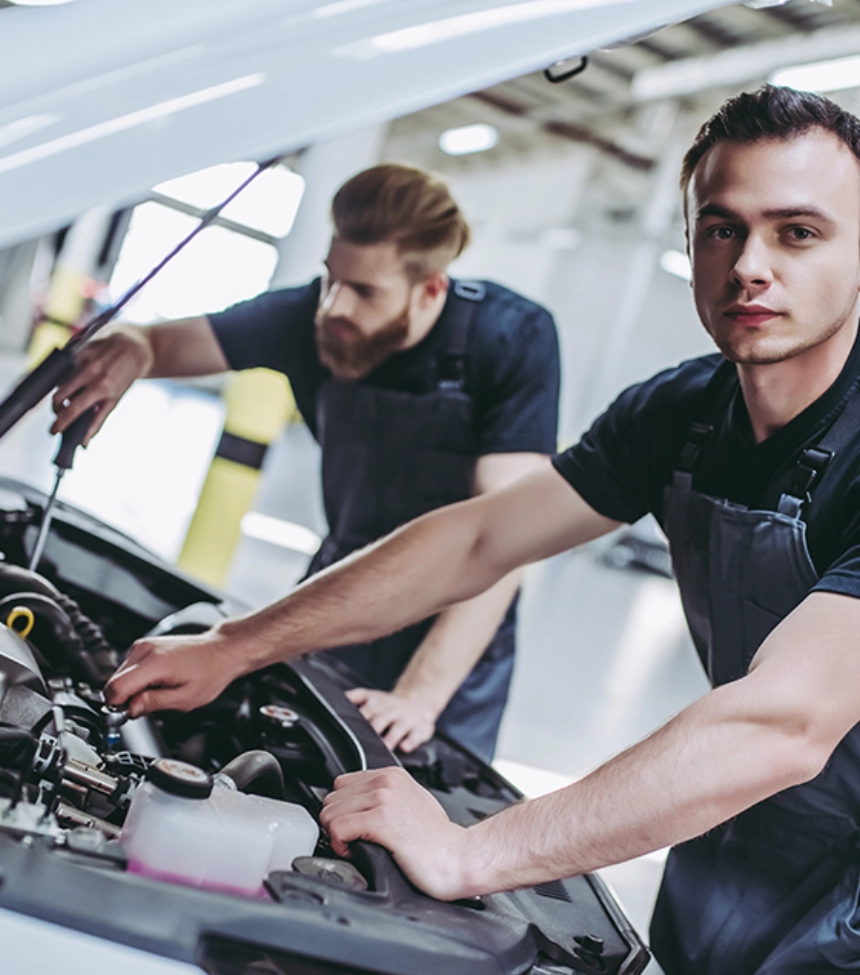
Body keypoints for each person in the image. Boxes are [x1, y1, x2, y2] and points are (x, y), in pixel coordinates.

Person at [105, 85, 860, 973]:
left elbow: (782, 724)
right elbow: (475, 540)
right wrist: (237, 645)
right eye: (722, 228)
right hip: (751, 831)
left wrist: (473, 853)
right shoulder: (680, 414)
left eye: (798, 232)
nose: (748, 267)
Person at [55, 164, 560, 762]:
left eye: (364, 291)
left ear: (430, 289)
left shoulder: (508, 340)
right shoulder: (313, 319)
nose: (333, 306)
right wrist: (133, 347)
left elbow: (502, 543)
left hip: (453, 638)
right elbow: (167, 344)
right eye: (329, 279)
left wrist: (420, 699)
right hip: (339, 597)